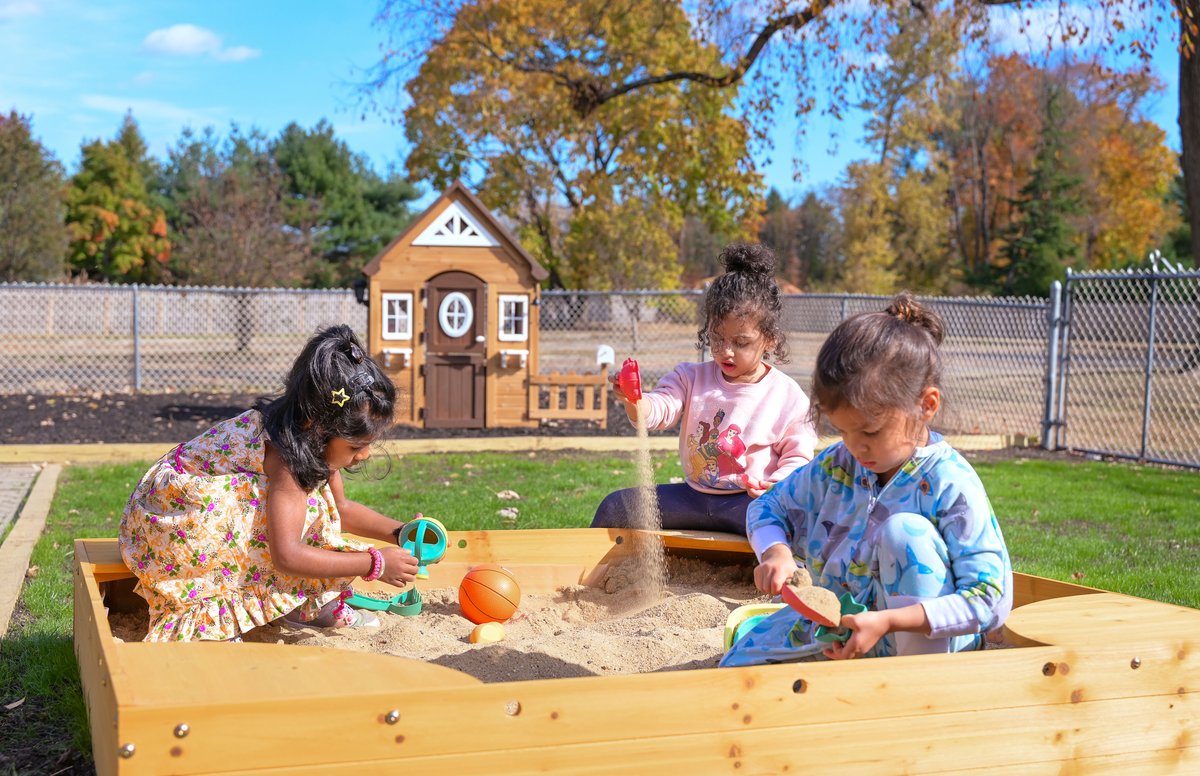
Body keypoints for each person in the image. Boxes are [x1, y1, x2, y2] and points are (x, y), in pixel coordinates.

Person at [721, 293, 1013, 666]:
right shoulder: (837, 465)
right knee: (734, 669)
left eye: (871, 432)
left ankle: (905, 692)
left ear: (926, 406)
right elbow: (767, 506)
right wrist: (777, 553)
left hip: (921, 645)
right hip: (835, 631)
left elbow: (991, 599)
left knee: (905, 533)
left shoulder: (949, 483)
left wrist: (888, 621)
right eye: (843, 431)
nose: (856, 447)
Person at [119, 324, 420, 642]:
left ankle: (301, 603)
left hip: (191, 521)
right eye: (355, 446)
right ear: (316, 426)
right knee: (288, 510)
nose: (364, 456)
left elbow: (340, 509)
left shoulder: (309, 437)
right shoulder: (284, 456)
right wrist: (374, 563)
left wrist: (401, 533)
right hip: (171, 525)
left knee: (314, 507)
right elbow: (287, 554)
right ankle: (210, 621)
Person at [590, 243, 817, 534]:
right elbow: (660, 407)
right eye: (717, 338)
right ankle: (587, 570)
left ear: (770, 339)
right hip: (693, 498)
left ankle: (778, 574)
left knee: (795, 527)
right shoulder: (691, 376)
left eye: (741, 342)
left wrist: (778, 485)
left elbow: (798, 455)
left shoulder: (787, 395)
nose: (726, 352)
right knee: (615, 507)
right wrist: (635, 399)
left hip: (750, 503)